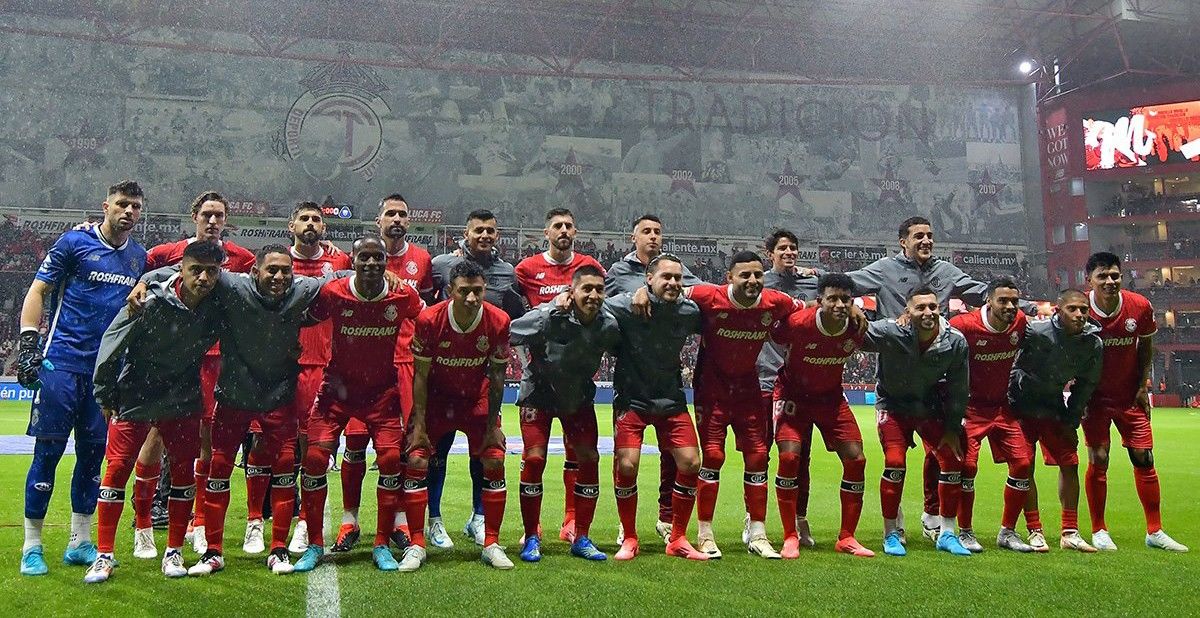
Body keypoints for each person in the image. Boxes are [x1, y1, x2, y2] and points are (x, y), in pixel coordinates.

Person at [138, 245, 332, 575]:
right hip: (233, 397)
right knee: (218, 470)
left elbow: (342, 277)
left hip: (278, 398)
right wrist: (144, 279)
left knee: (285, 471)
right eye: (272, 270)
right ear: (254, 272)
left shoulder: (303, 288)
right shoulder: (232, 285)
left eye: (285, 270)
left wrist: (386, 275)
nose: (279, 276)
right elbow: (183, 269)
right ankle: (213, 551)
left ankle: (279, 550)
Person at [848, 216, 1033, 543]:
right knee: (896, 460)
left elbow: (982, 293)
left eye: (930, 236)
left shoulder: (946, 272)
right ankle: (896, 523)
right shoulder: (884, 269)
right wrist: (805, 281)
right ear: (902, 240)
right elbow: (846, 284)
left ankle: (934, 517)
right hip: (896, 367)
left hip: (934, 379)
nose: (926, 241)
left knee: (944, 454)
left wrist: (1031, 307)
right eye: (918, 236)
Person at [18, 180, 147, 576]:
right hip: (62, 365)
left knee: (93, 457)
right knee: (48, 454)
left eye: (135, 207)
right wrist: (28, 344)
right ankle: (32, 546)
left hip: (105, 376)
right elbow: (38, 290)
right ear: (105, 205)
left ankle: (80, 541)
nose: (128, 212)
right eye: (122, 204)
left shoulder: (138, 258)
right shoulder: (74, 243)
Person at [84, 240, 224, 582]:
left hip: (183, 395)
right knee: (116, 471)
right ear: (182, 269)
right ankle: (104, 555)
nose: (203, 278)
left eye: (211, 271)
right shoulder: (148, 297)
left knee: (182, 474)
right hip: (137, 393)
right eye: (196, 270)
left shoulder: (221, 300)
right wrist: (105, 392)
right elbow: (112, 339)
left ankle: (173, 552)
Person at [294, 235, 424, 573]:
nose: (371, 263)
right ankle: (314, 544)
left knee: (392, 459)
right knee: (314, 458)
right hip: (336, 393)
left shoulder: (402, 295)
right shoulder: (333, 292)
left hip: (381, 394)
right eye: (364, 257)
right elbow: (301, 312)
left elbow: (428, 318)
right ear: (352, 260)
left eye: (377, 258)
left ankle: (381, 543)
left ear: (386, 262)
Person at [143, 192, 257, 557]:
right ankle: (143, 519)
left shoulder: (241, 259)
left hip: (218, 357)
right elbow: (145, 279)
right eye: (206, 214)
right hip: (174, 358)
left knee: (208, 440)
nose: (212, 221)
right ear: (194, 215)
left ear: (226, 219)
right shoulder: (166, 254)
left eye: (219, 215)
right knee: (157, 433)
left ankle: (198, 519)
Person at [664, 251, 797, 560]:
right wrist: (642, 292)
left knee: (758, 455)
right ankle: (705, 533)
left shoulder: (775, 302)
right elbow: (668, 291)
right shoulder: (708, 296)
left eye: (757, 275)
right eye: (745, 275)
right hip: (712, 389)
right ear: (730, 278)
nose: (752, 280)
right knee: (712, 455)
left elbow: (803, 310)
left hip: (748, 388)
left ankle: (758, 533)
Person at [328, 193, 435, 553]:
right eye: (390, 213)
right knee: (355, 442)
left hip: (404, 363)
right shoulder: (352, 259)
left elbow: (424, 312)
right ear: (378, 220)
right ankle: (349, 520)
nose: (397, 219)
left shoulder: (422, 260)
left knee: (399, 449)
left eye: (403, 214)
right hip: (363, 362)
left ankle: (401, 522)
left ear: (409, 221)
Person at [403, 260, 514, 571]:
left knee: (494, 458)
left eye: (478, 291)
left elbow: (497, 376)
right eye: (464, 291)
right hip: (437, 399)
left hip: (474, 399)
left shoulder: (499, 320)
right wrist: (420, 425)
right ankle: (417, 543)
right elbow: (420, 376)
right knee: (417, 459)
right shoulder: (429, 319)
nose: (471, 298)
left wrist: (493, 425)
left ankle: (491, 543)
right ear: (449, 291)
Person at [427, 209, 523, 547]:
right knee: (435, 450)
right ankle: (433, 520)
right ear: (465, 234)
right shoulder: (440, 264)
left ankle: (478, 518)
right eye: (478, 230)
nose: (484, 235)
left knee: (484, 451)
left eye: (490, 231)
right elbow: (425, 308)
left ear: (497, 235)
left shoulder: (507, 272)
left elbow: (516, 314)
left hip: (480, 378)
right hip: (442, 376)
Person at [510, 264, 618, 562]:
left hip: (578, 398)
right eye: (587, 289)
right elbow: (513, 330)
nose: (594, 295)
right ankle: (531, 536)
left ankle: (581, 536)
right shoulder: (550, 313)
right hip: (538, 395)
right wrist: (550, 311)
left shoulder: (608, 325)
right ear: (572, 292)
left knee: (589, 458)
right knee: (534, 458)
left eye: (599, 290)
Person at [1081, 252, 1187, 552]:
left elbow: (1146, 345)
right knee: (1099, 458)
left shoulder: (1139, 306)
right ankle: (1099, 530)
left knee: (1144, 457)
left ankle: (1154, 530)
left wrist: (1143, 386)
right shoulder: (1080, 310)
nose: (1110, 281)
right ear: (1089, 279)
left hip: (1129, 395)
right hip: (1095, 398)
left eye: (1115, 275)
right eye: (1103, 276)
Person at [605, 214, 701, 544]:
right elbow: (594, 306)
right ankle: (627, 529)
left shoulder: (689, 309)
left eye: (658, 231)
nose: (653, 236)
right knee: (627, 463)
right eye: (646, 231)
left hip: (669, 393)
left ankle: (672, 527)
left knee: (686, 461)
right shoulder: (619, 277)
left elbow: (711, 294)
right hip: (631, 390)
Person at [770, 273, 874, 558]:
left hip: (830, 399)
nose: (839, 305)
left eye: (845, 300)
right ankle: (790, 535)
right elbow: (774, 331)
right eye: (832, 299)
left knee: (857, 458)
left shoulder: (856, 327)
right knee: (790, 457)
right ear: (819, 302)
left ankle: (847, 537)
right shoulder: (798, 324)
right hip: (792, 396)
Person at [863, 287, 971, 557]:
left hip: (928, 407)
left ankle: (947, 533)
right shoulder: (890, 331)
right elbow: (856, 332)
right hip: (893, 405)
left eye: (933, 307)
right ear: (906, 312)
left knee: (953, 460)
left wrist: (952, 428)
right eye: (920, 308)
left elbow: (959, 388)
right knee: (895, 463)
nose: (928, 313)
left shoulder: (955, 341)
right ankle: (891, 534)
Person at [1010, 289, 1103, 553]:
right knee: (1024, 466)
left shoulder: (1092, 343)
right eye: (1073, 309)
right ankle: (1034, 530)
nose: (1079, 314)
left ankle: (1070, 532)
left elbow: (1086, 385)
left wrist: (1072, 418)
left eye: (1084, 309)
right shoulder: (1035, 332)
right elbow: (1009, 357)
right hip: (1022, 406)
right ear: (1058, 311)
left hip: (1053, 407)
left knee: (1070, 463)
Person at [947, 277, 1034, 553]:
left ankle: (1007, 532)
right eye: (1003, 301)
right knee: (968, 468)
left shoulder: (1020, 323)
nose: (1010, 307)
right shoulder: (963, 326)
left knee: (1023, 464)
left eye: (1014, 302)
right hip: (970, 409)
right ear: (988, 300)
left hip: (1001, 408)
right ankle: (965, 532)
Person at [285, 201, 351, 555]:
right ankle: (284, 514)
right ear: (292, 224)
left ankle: (306, 523)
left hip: (328, 365)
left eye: (317, 219)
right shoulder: (278, 263)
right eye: (305, 218)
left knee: (319, 448)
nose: (311, 223)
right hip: (288, 365)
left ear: (324, 227)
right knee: (286, 447)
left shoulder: (341, 262)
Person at [756, 228, 822, 547]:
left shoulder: (812, 282)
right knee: (761, 452)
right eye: (782, 248)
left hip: (800, 382)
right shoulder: (760, 283)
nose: (789, 252)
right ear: (771, 253)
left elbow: (840, 290)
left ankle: (799, 518)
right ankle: (754, 520)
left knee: (800, 455)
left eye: (793, 247)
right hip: (764, 380)